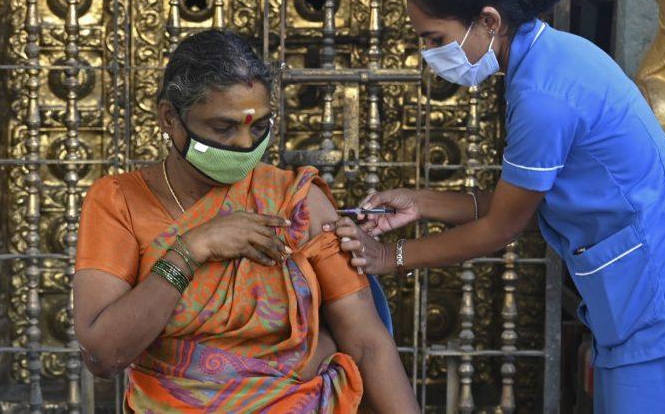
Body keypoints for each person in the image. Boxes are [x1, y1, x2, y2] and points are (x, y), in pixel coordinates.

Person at [330, 0, 665, 413]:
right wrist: (420, 202)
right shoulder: (546, 60)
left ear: (489, 21)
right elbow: (526, 202)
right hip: (643, 311)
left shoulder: (543, 95)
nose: (430, 56)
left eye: (435, 39)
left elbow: (501, 228)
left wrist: (390, 255)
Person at [73, 29, 418, 413]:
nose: (243, 144)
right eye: (223, 128)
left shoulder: (297, 202)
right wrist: (191, 249)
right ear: (170, 118)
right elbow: (103, 355)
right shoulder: (119, 202)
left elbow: (368, 344)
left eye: (257, 127)